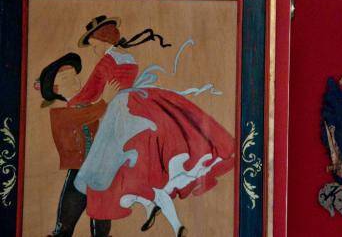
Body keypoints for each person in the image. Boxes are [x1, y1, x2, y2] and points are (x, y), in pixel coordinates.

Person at [69, 15, 235, 237]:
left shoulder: (107, 61)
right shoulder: (128, 57)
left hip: (119, 110)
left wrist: (71, 103)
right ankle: (151, 203)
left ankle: (135, 204)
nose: (94, 50)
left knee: (107, 166)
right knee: (139, 161)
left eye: (94, 45)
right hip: (139, 103)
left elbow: (90, 91)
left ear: (103, 39)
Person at [37, 52, 120, 237]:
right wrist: (105, 101)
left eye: (75, 76)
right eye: (67, 78)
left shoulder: (91, 109)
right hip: (78, 173)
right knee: (63, 229)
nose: (76, 81)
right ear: (57, 88)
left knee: (102, 230)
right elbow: (82, 117)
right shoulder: (60, 116)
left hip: (99, 173)